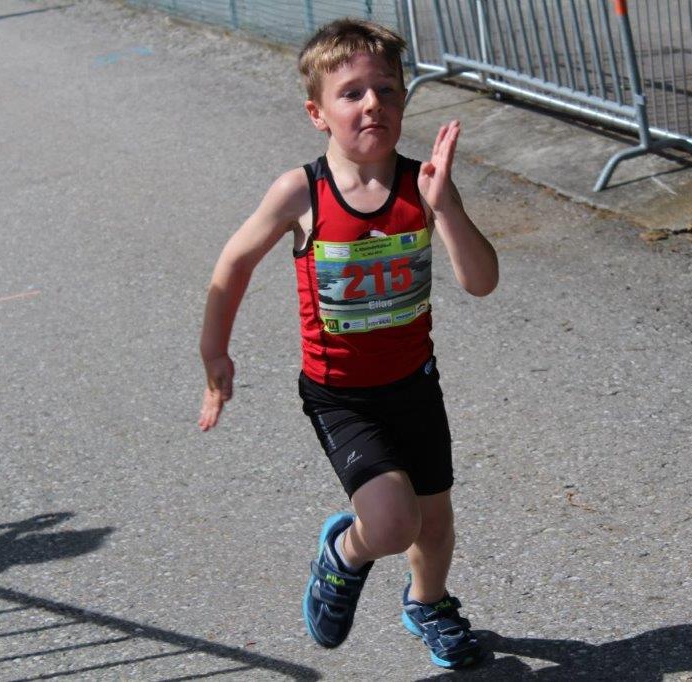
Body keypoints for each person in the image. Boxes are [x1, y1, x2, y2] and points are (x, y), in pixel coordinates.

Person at [196, 18, 498, 670]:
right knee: (391, 523)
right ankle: (343, 554)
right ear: (317, 114)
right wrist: (214, 353)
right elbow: (234, 263)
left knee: (434, 522)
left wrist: (446, 206)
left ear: (404, 101)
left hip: (414, 384)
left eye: (386, 90)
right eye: (352, 93)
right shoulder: (301, 192)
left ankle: (428, 603)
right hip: (341, 396)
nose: (372, 105)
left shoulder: (423, 185)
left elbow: (481, 282)